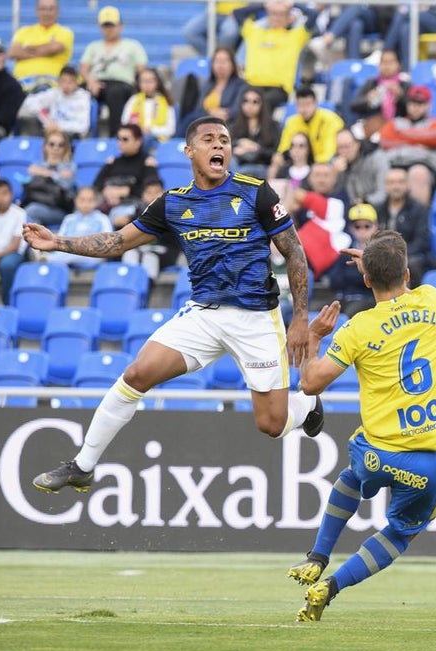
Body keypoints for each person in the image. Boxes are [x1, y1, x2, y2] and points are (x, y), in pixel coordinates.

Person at [23, 116, 324, 494]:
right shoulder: (173, 203)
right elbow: (118, 242)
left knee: (272, 425)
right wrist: (59, 242)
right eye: (209, 139)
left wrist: (300, 318)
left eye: (224, 140)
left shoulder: (256, 192)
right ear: (189, 151)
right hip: (204, 314)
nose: (219, 145)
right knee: (137, 374)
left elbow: (294, 252)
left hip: (255, 319)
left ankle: (307, 405)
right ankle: (83, 466)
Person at [288, 229, 436, 623]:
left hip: (377, 455)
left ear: (365, 281)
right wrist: (376, 260)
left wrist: (314, 337)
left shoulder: (357, 329)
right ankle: (330, 586)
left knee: (351, 477)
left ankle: (317, 556)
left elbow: (310, 384)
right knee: (399, 533)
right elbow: (397, 274)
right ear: (408, 275)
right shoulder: (432, 300)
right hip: (429, 463)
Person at [80, 6, 148, 138]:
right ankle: (80, 133)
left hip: (122, 84)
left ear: (120, 26)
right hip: (96, 83)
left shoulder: (133, 45)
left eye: (112, 25)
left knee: (115, 93)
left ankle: (116, 136)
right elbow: (83, 68)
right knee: (79, 92)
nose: (109, 29)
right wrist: (91, 81)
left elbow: (142, 69)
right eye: (105, 26)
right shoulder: (93, 46)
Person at [378, 85, 436, 206]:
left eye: (420, 104)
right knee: (385, 168)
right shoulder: (396, 123)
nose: (415, 107)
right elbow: (385, 140)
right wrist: (420, 143)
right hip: (396, 163)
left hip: (426, 166)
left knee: (417, 173)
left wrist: (401, 137)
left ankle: (418, 216)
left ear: (428, 105)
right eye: (412, 103)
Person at [237, 1, 311, 114]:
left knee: (261, 102)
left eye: (282, 14)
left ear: (289, 18)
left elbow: (313, 15)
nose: (277, 18)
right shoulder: (255, 32)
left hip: (278, 89)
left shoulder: (295, 36)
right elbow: (238, 13)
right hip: (252, 85)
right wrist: (264, 5)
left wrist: (292, 4)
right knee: (242, 100)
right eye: (273, 14)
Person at [375, 166, 431, 281]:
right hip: (382, 255)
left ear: (408, 185)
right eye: (391, 182)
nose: (396, 186)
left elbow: (421, 241)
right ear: (385, 186)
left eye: (401, 182)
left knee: (413, 264)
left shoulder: (418, 209)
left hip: (409, 255)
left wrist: (398, 255)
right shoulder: (378, 210)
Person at [179, 46, 247, 136]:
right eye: (217, 61)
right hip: (204, 122)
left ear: (233, 65)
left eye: (224, 61)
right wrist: (210, 113)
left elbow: (237, 109)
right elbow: (198, 108)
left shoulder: (240, 85)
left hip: (227, 125)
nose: (220, 65)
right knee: (189, 118)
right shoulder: (208, 85)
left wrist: (222, 114)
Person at [326, 203, 380, 317]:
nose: (362, 230)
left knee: (348, 314)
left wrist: (351, 276)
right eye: (357, 226)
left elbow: (376, 281)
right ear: (351, 228)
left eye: (367, 226)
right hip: (344, 298)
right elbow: (334, 280)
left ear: (376, 226)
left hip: (368, 300)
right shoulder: (346, 252)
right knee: (319, 312)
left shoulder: (381, 253)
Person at [8, 0, 73, 92]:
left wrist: (27, 49)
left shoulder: (65, 32)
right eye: (43, 9)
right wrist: (45, 50)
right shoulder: (23, 31)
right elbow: (13, 52)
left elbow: (55, 48)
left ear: (57, 11)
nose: (47, 13)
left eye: (51, 9)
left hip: (51, 85)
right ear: (37, 10)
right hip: (22, 85)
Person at [93, 124, 160, 212]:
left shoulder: (147, 162)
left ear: (138, 142)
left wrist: (127, 191)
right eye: (118, 139)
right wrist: (106, 191)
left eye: (125, 139)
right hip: (108, 207)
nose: (120, 143)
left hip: (135, 210)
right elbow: (96, 186)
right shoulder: (112, 162)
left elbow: (152, 191)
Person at [274, 86, 345, 167]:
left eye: (308, 104)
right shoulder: (291, 122)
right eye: (300, 105)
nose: (304, 109)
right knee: (276, 162)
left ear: (316, 104)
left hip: (323, 164)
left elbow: (330, 153)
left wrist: (312, 165)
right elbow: (283, 149)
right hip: (298, 165)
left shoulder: (330, 120)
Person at [16, 65, 92, 139]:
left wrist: (59, 127)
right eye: (63, 81)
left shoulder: (83, 97)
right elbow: (29, 102)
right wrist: (45, 117)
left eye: (70, 82)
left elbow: (83, 127)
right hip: (51, 131)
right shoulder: (55, 93)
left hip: (71, 134)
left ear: (76, 83)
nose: (66, 85)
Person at [44, 186, 112, 268]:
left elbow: (108, 241)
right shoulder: (69, 219)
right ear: (76, 200)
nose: (86, 204)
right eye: (82, 200)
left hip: (92, 254)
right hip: (69, 252)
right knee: (66, 254)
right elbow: (60, 241)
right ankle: (51, 259)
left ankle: (47, 258)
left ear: (96, 202)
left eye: (90, 200)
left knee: (75, 253)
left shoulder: (102, 218)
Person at [20, 128, 76, 227]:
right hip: (37, 202)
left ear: (65, 148)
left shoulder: (70, 166)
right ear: (45, 147)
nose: (56, 148)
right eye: (52, 144)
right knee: (29, 214)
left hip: (60, 208)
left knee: (32, 211)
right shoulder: (37, 165)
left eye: (61, 145)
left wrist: (48, 173)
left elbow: (67, 186)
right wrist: (57, 175)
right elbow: (29, 186)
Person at [382, 4, 436, 70]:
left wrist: (428, 7)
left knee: (405, 13)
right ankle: (408, 71)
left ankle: (386, 51)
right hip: (428, 19)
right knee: (407, 28)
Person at [349, 49, 410, 138]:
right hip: (373, 129)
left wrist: (401, 96)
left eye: (391, 62)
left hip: (399, 129)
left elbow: (414, 109)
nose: (387, 66)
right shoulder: (372, 83)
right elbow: (354, 105)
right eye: (383, 62)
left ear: (399, 65)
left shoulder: (404, 84)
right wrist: (368, 100)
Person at [230, 86, 281, 180]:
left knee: (242, 172)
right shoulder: (235, 125)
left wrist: (256, 149)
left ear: (262, 104)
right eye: (246, 101)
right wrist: (240, 142)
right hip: (239, 163)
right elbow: (227, 145)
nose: (250, 106)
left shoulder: (273, 126)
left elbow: (275, 154)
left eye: (255, 102)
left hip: (261, 166)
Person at [121, 68, 176, 149]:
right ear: (138, 83)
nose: (147, 84)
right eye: (143, 81)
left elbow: (171, 130)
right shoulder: (134, 100)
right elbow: (125, 122)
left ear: (157, 82)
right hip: (137, 138)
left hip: (159, 139)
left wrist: (151, 130)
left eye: (150, 81)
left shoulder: (166, 102)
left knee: (147, 139)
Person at [333, 128, 388, 206]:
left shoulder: (376, 158)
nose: (343, 152)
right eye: (339, 147)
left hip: (376, 206)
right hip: (351, 207)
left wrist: (364, 202)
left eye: (347, 147)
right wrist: (335, 173)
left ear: (357, 144)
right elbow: (332, 194)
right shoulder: (336, 161)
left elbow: (383, 192)